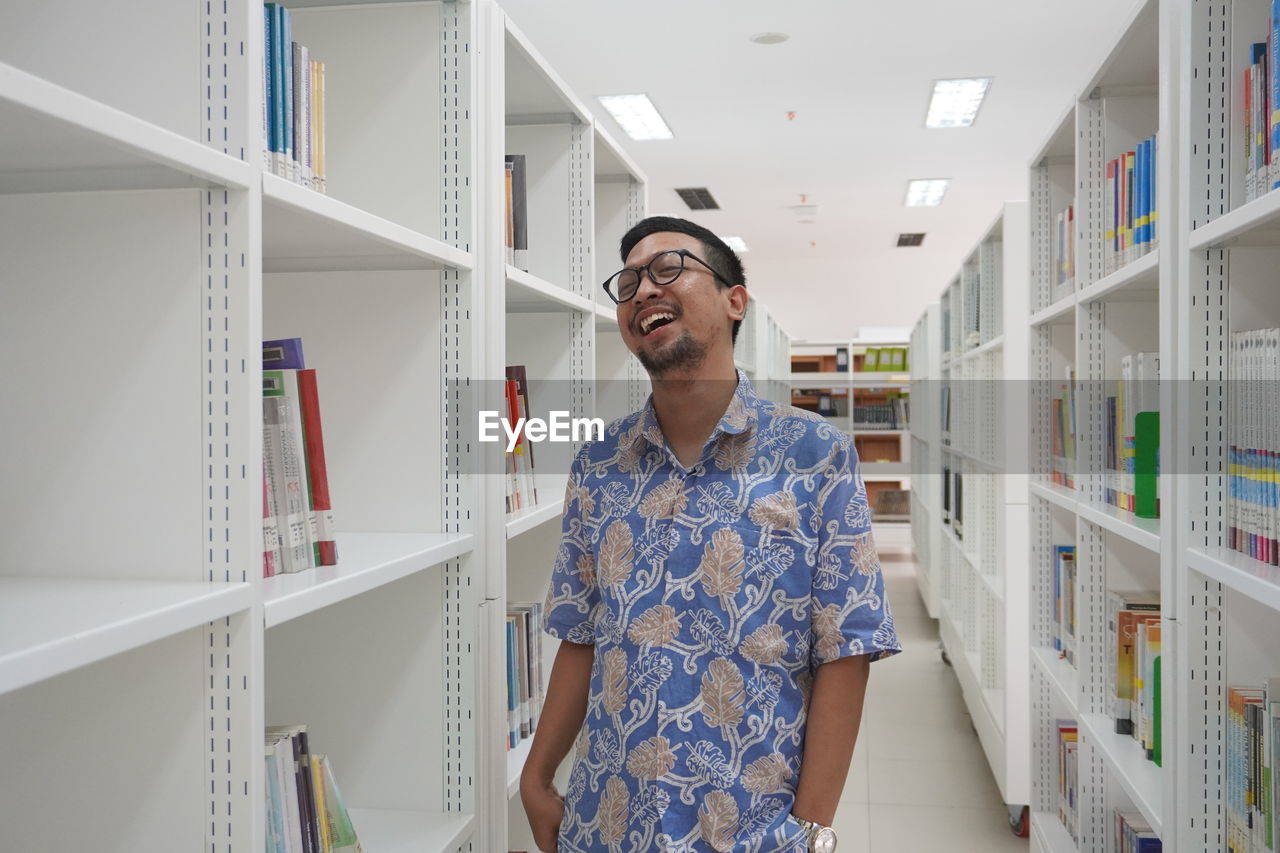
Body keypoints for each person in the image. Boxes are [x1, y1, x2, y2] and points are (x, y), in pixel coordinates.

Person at [519, 216, 900, 853]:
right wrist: (536, 776)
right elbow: (580, 634)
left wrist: (809, 831)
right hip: (606, 824)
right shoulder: (599, 464)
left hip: (752, 831)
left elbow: (846, 649)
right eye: (630, 280)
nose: (643, 289)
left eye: (668, 268)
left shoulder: (815, 454)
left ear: (733, 299)